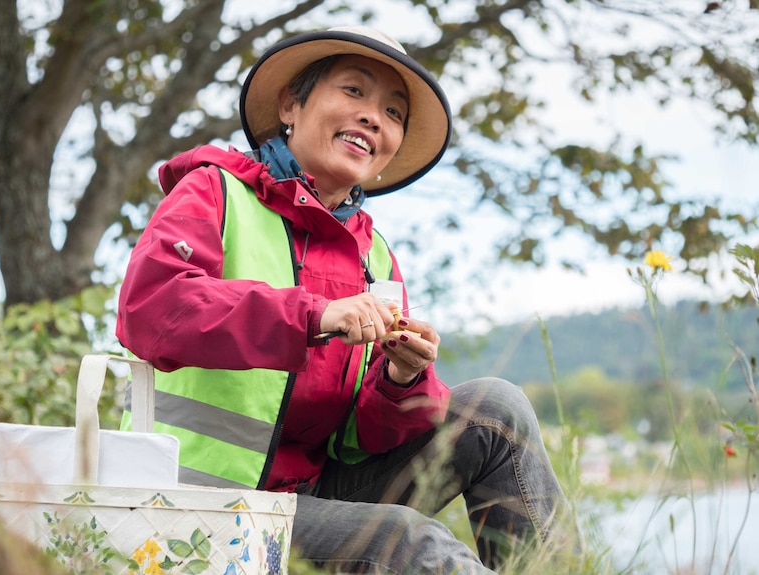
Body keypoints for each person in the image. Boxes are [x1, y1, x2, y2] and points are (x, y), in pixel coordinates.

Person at [116, 26, 576, 574]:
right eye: (353, 91)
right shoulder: (215, 193)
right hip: (199, 506)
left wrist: (402, 380)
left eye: (394, 113)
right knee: (410, 542)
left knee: (496, 410)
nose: (373, 117)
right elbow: (150, 308)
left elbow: (359, 441)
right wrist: (311, 314)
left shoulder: (375, 256)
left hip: (313, 502)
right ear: (291, 104)